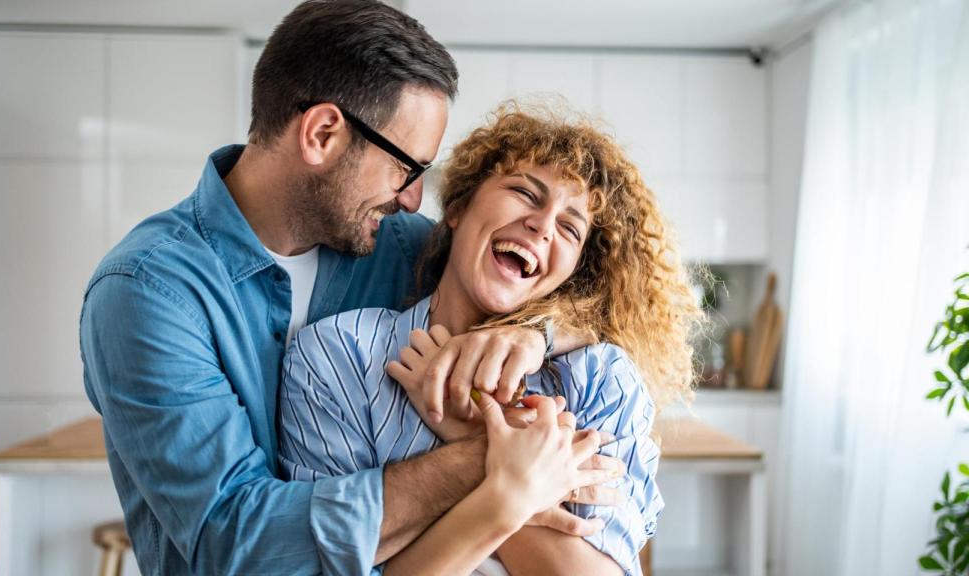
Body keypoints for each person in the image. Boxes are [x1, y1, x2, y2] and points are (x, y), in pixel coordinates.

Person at [79, 1, 616, 574]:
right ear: (322, 133)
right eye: (406, 168)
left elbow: (571, 293)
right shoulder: (147, 292)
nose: (413, 198)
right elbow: (234, 544)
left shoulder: (401, 243)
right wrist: (491, 456)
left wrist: (536, 334)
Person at [278, 104, 705, 575]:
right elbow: (326, 562)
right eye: (525, 193)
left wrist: (482, 441)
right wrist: (518, 486)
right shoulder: (341, 355)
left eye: (569, 227)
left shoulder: (599, 376)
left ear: (573, 268)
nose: (543, 226)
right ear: (458, 207)